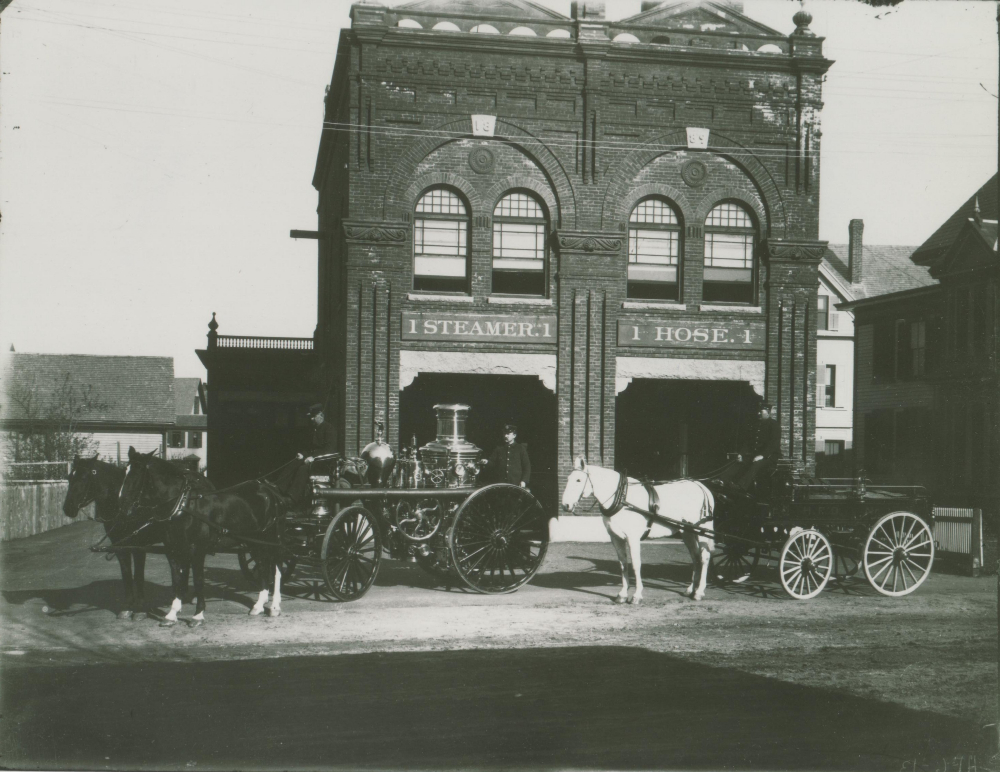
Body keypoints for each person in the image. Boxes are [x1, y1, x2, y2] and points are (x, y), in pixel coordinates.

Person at [288, 403, 339, 503]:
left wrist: (313, 457)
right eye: (311, 417)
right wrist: (303, 454)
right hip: (313, 460)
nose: (311, 419)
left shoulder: (329, 429)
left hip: (324, 463)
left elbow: (329, 450)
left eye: (313, 416)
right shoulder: (313, 430)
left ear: (321, 415)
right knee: (294, 462)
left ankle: (293, 497)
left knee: (303, 469)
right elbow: (310, 448)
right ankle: (280, 488)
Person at [737, 403, 781, 492]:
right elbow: (748, 442)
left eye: (761, 411)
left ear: (768, 412)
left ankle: (741, 486)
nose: (758, 413)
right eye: (758, 411)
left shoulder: (774, 425)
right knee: (738, 461)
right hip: (756, 455)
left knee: (756, 464)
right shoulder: (756, 425)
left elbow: (773, 444)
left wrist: (763, 455)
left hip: (770, 457)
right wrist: (741, 454)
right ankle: (722, 481)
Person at [481, 424, 531, 488]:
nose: (505, 436)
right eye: (504, 433)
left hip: (516, 483)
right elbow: (493, 463)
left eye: (508, 434)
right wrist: (487, 462)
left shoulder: (520, 448)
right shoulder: (499, 448)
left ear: (514, 435)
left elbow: (527, 466)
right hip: (501, 483)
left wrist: (524, 481)